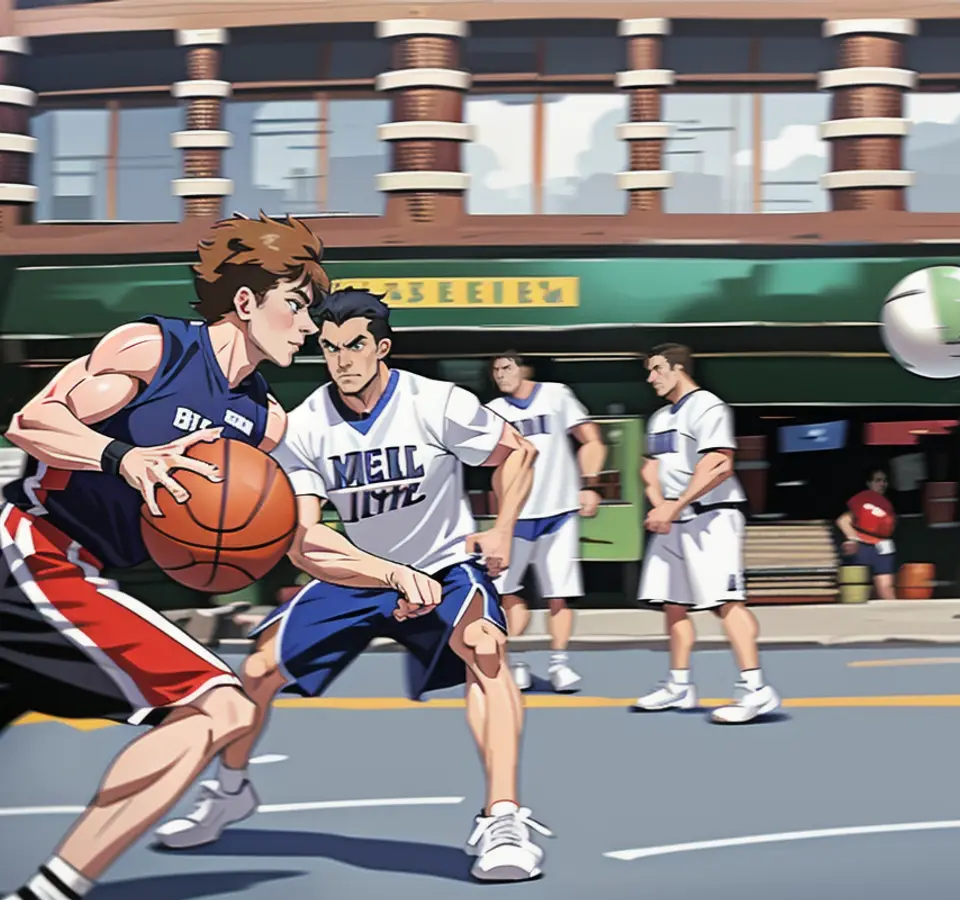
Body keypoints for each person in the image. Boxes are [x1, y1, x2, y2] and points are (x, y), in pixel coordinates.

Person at [153, 289, 551, 882]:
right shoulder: (305, 424)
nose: (342, 359)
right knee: (256, 672)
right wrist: (387, 574)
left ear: (382, 347)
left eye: (356, 345)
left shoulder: (435, 402)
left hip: (443, 562)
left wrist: (502, 531)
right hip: (363, 570)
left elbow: (516, 453)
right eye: (330, 347)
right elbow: (305, 537)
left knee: (487, 648)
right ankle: (231, 788)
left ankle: (504, 818)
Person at [0, 212, 328, 900]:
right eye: (296, 305)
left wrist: (390, 574)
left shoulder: (264, 423)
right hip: (27, 546)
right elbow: (32, 421)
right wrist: (124, 459)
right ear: (245, 302)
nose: (308, 325)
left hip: (75, 573)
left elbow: (275, 532)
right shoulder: (155, 350)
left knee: (217, 711)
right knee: (219, 708)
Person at [631, 343, 780, 724]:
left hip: (712, 518)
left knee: (726, 602)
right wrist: (660, 506)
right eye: (649, 371)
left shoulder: (708, 406)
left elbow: (717, 465)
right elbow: (649, 471)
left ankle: (756, 689)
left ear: (678, 368)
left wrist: (673, 506)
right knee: (672, 603)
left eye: (657, 369)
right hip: (674, 520)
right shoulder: (659, 418)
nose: (651, 378)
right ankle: (679, 685)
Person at [485, 351, 607, 693]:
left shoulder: (556, 395)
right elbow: (494, 468)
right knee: (509, 592)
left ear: (525, 369)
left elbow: (592, 440)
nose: (500, 375)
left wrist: (590, 484)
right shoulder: (495, 411)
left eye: (507, 367)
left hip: (559, 510)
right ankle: (518, 661)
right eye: (495, 370)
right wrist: (500, 515)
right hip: (517, 516)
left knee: (559, 594)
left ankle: (560, 664)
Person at [836, 468, 898, 600]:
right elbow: (843, 521)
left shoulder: (886, 503)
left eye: (884, 481)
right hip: (863, 546)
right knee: (859, 589)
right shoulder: (862, 500)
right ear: (869, 483)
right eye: (878, 481)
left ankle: (895, 614)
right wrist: (853, 539)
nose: (882, 484)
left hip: (882, 546)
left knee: (885, 587)